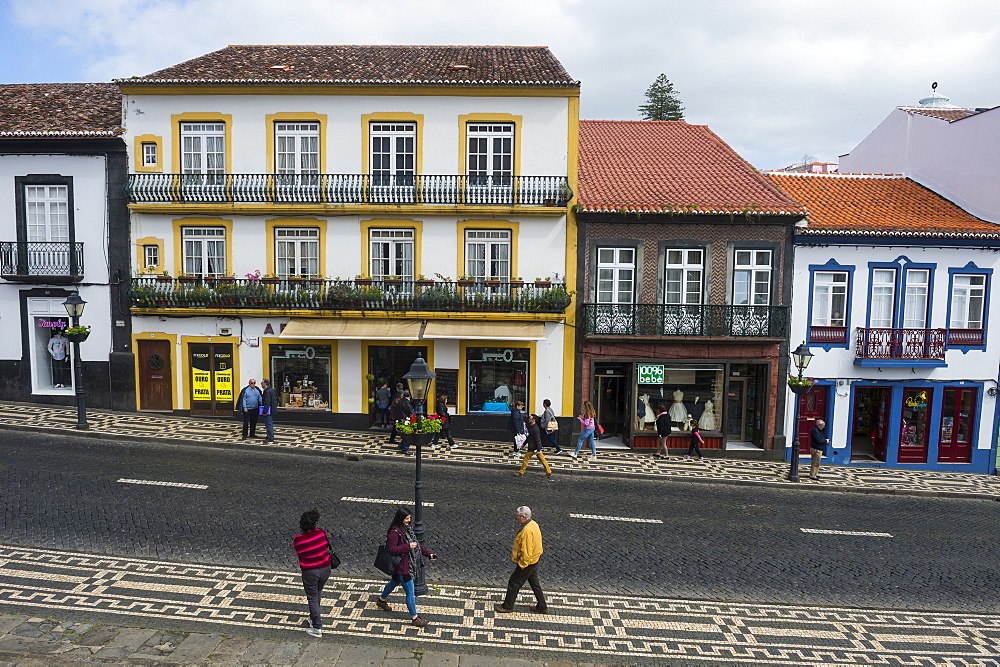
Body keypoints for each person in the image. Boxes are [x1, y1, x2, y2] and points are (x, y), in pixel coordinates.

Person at [374, 506, 436, 628]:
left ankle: (381, 601)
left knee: (394, 582)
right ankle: (414, 617)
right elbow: (392, 549)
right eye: (407, 518)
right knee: (410, 592)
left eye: (410, 518)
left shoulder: (408, 529)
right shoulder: (394, 533)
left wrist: (428, 554)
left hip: (406, 564)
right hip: (403, 567)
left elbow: (416, 545)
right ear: (400, 518)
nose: (409, 520)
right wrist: (408, 547)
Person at [495, 505, 547, 614]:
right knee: (534, 583)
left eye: (517, 515)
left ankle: (507, 606)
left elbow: (527, 550)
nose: (516, 517)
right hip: (534, 559)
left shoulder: (527, 530)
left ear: (523, 517)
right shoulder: (533, 524)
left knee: (514, 582)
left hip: (527, 562)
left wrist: (522, 565)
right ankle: (542, 606)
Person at [293, 509, 332, 638]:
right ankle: (313, 617)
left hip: (310, 571)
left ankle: (317, 627)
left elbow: (300, 553)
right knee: (317, 593)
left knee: (312, 597)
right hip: (325, 568)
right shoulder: (321, 533)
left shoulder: (298, 540)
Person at [514, 415, 553, 479]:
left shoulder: (535, 429)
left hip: (533, 447)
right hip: (535, 447)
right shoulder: (533, 427)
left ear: (533, 420)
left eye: (530, 418)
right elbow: (530, 437)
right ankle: (548, 472)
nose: (529, 419)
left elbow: (538, 439)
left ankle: (521, 472)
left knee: (526, 459)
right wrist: (524, 444)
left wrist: (538, 449)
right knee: (542, 460)